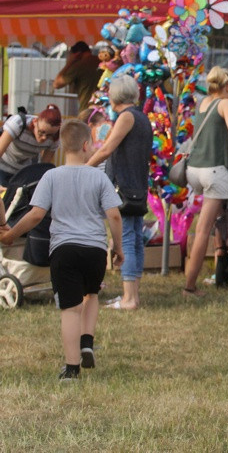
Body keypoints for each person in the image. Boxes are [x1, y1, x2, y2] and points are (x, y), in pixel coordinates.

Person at [0, 120, 123, 380]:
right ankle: (87, 341)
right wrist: (118, 248)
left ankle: (71, 368)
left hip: (63, 249)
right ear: (86, 145)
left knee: (70, 309)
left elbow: (35, 216)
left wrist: (10, 234)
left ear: (62, 147)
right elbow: (114, 216)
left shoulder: (51, 176)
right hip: (95, 250)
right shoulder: (99, 177)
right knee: (91, 294)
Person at [86, 76, 152, 311]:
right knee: (134, 239)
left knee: (125, 240)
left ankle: (129, 299)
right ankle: (132, 295)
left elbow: (107, 148)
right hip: (137, 185)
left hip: (123, 186)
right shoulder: (143, 118)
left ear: (115, 96)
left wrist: (84, 169)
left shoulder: (127, 117)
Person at [182, 67, 228, 297]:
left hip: (194, 169)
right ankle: (189, 286)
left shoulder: (203, 102)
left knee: (210, 221)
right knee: (203, 230)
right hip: (214, 170)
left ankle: (216, 266)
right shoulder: (225, 103)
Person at [0, 103, 62, 186]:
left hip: (23, 172)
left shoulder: (55, 138)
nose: (44, 138)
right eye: (41, 132)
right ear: (35, 122)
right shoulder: (18, 123)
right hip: (3, 166)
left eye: (49, 135)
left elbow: (42, 167)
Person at [53, 41, 102, 112]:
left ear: (77, 54)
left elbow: (56, 84)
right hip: (103, 108)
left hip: (87, 109)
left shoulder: (79, 65)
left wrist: (69, 63)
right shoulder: (101, 62)